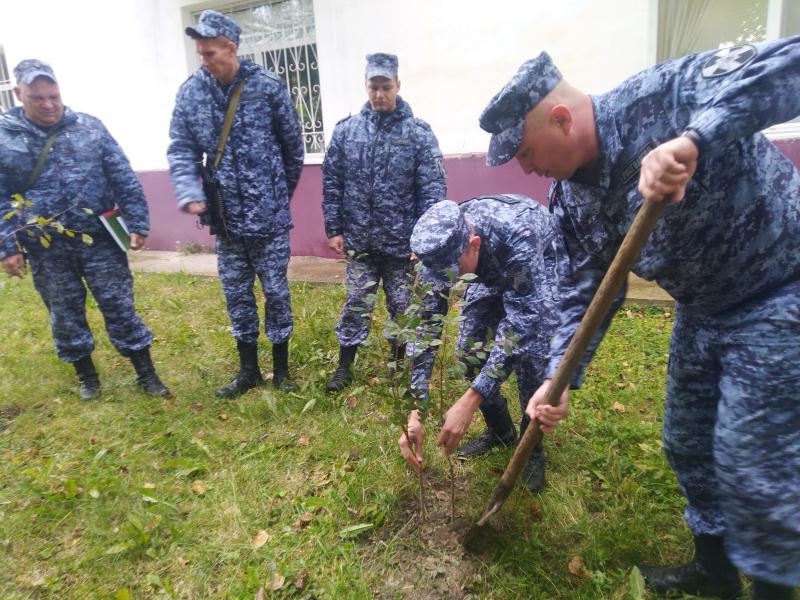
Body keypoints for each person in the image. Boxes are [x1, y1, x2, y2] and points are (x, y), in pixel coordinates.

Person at [480, 37, 800, 599]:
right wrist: (559, 378)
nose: (525, 169)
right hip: (703, 308)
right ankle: (715, 570)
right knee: (688, 442)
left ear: (560, 119)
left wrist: (696, 138)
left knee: (753, 459)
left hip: (778, 288)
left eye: (525, 153)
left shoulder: (668, 94)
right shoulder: (570, 198)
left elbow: (790, 64)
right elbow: (585, 290)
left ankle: (775, 588)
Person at [0, 60, 170, 400]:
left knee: (120, 304)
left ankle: (146, 374)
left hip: (100, 239)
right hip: (46, 245)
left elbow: (121, 174)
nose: (49, 105)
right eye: (38, 98)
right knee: (64, 311)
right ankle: (87, 377)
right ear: (19, 94)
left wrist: (138, 222)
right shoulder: (5, 138)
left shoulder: (90, 127)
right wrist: (8, 245)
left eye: (54, 96)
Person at [167, 10, 305, 397]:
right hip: (226, 221)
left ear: (231, 48)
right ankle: (248, 371)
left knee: (277, 292)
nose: (204, 61)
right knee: (236, 294)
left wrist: (277, 195)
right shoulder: (191, 93)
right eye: (200, 54)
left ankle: (281, 371)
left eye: (210, 53)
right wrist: (190, 193)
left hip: (270, 221)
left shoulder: (268, 88)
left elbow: (293, 150)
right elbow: (180, 149)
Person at [397, 196, 562, 493]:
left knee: (532, 361)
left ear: (473, 243)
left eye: (454, 270)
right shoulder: (441, 246)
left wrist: (470, 401)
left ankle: (531, 449)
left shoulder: (518, 236)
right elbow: (426, 328)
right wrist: (414, 411)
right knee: (470, 354)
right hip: (487, 270)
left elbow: (521, 326)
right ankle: (501, 432)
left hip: (538, 264)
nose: (449, 279)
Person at [321, 52, 446, 392]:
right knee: (356, 302)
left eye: (386, 87)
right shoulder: (347, 132)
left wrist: (426, 241)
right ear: (366, 86)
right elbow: (333, 182)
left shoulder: (417, 134)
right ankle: (345, 367)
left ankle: (397, 365)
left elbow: (432, 191)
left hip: (401, 245)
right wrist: (334, 228)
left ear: (398, 86)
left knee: (402, 306)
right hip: (360, 241)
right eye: (373, 87)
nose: (379, 94)